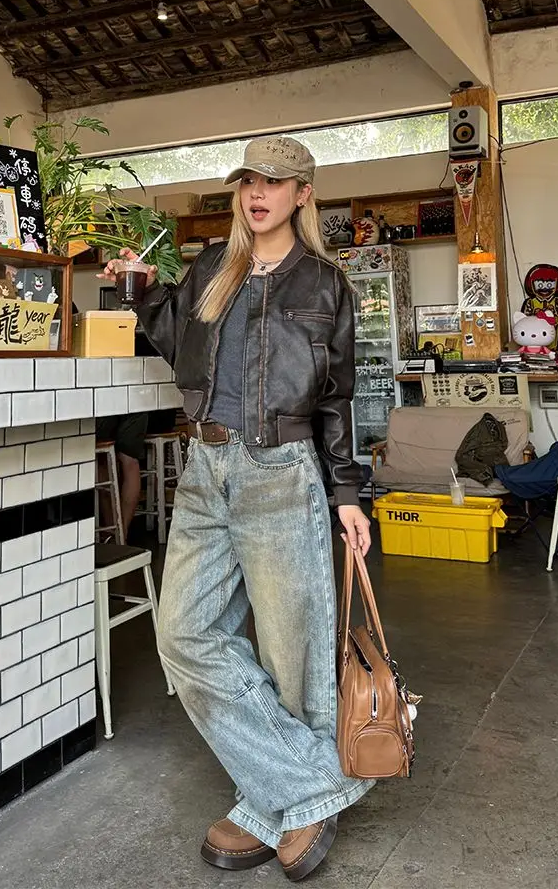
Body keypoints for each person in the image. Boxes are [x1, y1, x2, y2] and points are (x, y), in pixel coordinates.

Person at [98, 136, 373, 882]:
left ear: (302, 195)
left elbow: (339, 399)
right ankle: (312, 786)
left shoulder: (325, 285)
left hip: (284, 472)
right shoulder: (211, 269)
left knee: (295, 654)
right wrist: (143, 291)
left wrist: (348, 493)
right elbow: (176, 343)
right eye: (250, 181)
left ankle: (266, 802)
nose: (259, 193)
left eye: (276, 182)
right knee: (184, 632)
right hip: (205, 468)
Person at [95, 413, 147, 540]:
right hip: (137, 403)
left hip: (103, 404)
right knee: (130, 460)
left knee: (103, 457)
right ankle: (122, 532)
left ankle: (111, 531)